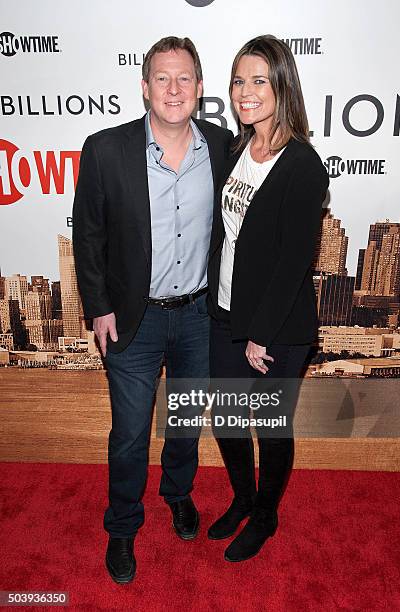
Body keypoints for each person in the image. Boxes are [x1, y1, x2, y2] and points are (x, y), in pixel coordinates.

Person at [72, 36, 233, 583]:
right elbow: (88, 238)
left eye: (184, 78)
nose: (173, 88)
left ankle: (179, 494)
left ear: (201, 88)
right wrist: (98, 306)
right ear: (144, 87)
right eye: (162, 78)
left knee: (185, 422)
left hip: (197, 317)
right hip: (132, 319)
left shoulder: (223, 146)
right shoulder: (105, 149)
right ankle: (121, 526)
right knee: (131, 432)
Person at [207, 35, 329, 562]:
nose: (246, 92)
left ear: (282, 86)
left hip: (276, 327)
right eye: (238, 81)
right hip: (225, 314)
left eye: (259, 80)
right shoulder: (235, 150)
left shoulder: (303, 166)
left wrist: (261, 333)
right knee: (227, 419)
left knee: (270, 425)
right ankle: (243, 498)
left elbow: (293, 260)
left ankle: (265, 516)